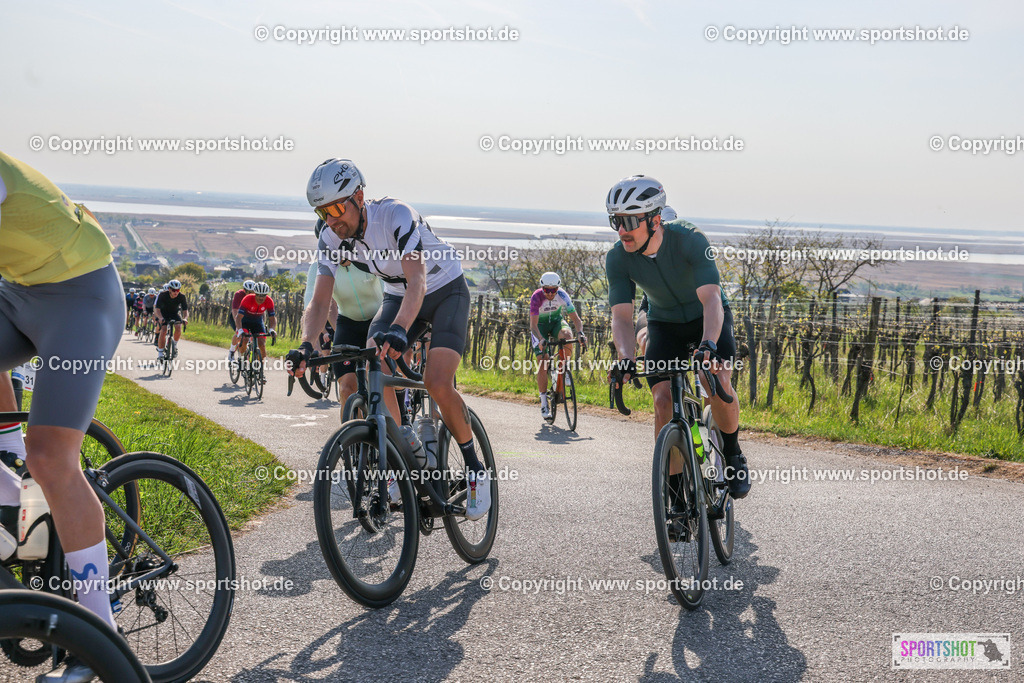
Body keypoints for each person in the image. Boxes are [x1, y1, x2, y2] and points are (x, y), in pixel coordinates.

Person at [288, 158, 491, 520]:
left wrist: (400, 328)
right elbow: (320, 301)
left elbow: (418, 281)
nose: (331, 219)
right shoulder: (331, 236)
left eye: (336, 207)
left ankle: (475, 468)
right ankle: (402, 447)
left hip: (444, 290)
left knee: (437, 381)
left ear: (359, 196)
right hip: (398, 294)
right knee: (374, 363)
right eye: (322, 211)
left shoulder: (395, 215)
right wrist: (306, 343)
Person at [0, 151, 125, 681]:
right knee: (25, 457)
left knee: (52, 459)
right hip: (17, 295)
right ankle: (7, 465)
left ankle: (98, 637)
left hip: (81, 296)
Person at [604, 175, 749, 499]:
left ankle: (733, 452)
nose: (622, 229)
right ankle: (673, 496)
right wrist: (626, 357)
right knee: (663, 401)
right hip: (664, 324)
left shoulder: (690, 240)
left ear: (655, 220)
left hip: (705, 318)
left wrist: (709, 343)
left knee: (717, 380)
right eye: (616, 221)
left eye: (629, 220)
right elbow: (622, 317)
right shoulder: (617, 257)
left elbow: (711, 299)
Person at [301, 225, 383, 414]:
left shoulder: (369, 258)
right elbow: (311, 306)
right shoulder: (318, 268)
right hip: (348, 325)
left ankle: (400, 421)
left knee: (380, 381)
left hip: (378, 321)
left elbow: (391, 294)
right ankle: (354, 439)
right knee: (346, 387)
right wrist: (309, 345)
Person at [528, 272, 587, 420]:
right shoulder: (536, 297)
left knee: (567, 336)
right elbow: (533, 325)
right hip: (539, 327)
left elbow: (576, 319)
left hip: (555, 323)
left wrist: (580, 333)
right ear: (542, 288)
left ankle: (564, 368)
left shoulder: (562, 295)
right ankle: (543, 401)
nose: (549, 293)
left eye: (553, 290)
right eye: (546, 290)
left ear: (557, 288)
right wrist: (541, 339)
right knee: (543, 360)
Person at [234, 281, 276, 368]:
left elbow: (272, 318)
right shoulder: (247, 299)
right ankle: (242, 358)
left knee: (262, 345)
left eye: (264, 295)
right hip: (245, 321)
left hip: (257, 322)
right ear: (255, 293)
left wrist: (272, 329)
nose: (261, 298)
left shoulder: (269, 301)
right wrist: (240, 330)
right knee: (244, 340)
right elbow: (238, 317)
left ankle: (259, 371)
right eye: (259, 295)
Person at [154, 279, 188, 360]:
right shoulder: (162, 295)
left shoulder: (182, 297)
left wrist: (185, 318)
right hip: (163, 314)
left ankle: (175, 345)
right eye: (173, 290)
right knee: (164, 330)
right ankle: (160, 353)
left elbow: (185, 310)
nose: (176, 292)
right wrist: (160, 318)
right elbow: (157, 309)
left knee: (179, 327)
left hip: (174, 313)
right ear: (169, 289)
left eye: (178, 290)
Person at [227, 280, 256, 360]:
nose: (250, 293)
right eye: (248, 291)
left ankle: (251, 351)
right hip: (236, 316)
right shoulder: (239, 295)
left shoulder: (256, 296)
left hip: (249, 317)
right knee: (239, 335)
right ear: (244, 290)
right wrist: (238, 324)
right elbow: (235, 310)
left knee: (254, 335)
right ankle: (232, 351)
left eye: (252, 291)